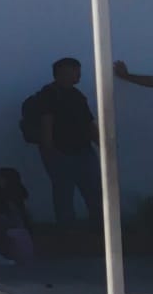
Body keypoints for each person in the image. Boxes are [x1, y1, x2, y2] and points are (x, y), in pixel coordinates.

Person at [33, 57, 102, 228]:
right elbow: (46, 121)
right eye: (74, 72)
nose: (78, 76)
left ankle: (100, 226)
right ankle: (67, 230)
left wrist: (103, 144)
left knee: (93, 190)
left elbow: (88, 122)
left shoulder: (77, 95)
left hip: (82, 150)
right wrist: (49, 150)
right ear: (61, 74)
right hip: (60, 151)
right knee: (64, 193)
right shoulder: (48, 95)